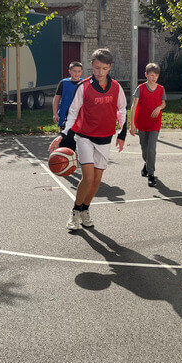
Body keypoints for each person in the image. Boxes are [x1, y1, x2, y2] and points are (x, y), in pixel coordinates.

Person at [49, 49, 127, 232]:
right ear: (91, 65)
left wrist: (121, 135)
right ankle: (75, 211)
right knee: (88, 177)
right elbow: (73, 113)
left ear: (110, 67)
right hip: (84, 137)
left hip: (105, 138)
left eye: (105, 68)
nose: (100, 72)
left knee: (97, 180)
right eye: (97, 68)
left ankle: (85, 210)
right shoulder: (83, 86)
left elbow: (122, 109)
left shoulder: (116, 87)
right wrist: (62, 135)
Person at [130, 62, 166, 187]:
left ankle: (151, 174)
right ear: (146, 75)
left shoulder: (161, 89)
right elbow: (134, 107)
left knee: (151, 149)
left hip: (155, 123)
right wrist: (132, 125)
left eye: (156, 75)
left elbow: (163, 103)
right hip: (141, 123)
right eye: (151, 75)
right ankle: (147, 164)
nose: (154, 77)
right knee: (144, 149)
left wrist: (159, 108)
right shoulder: (140, 88)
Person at [52, 61, 83, 128]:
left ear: (81, 72)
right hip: (65, 115)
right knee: (64, 136)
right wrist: (55, 114)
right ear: (70, 71)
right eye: (74, 71)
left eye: (79, 71)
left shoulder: (84, 83)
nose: (76, 73)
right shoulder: (63, 83)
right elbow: (56, 99)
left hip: (79, 115)